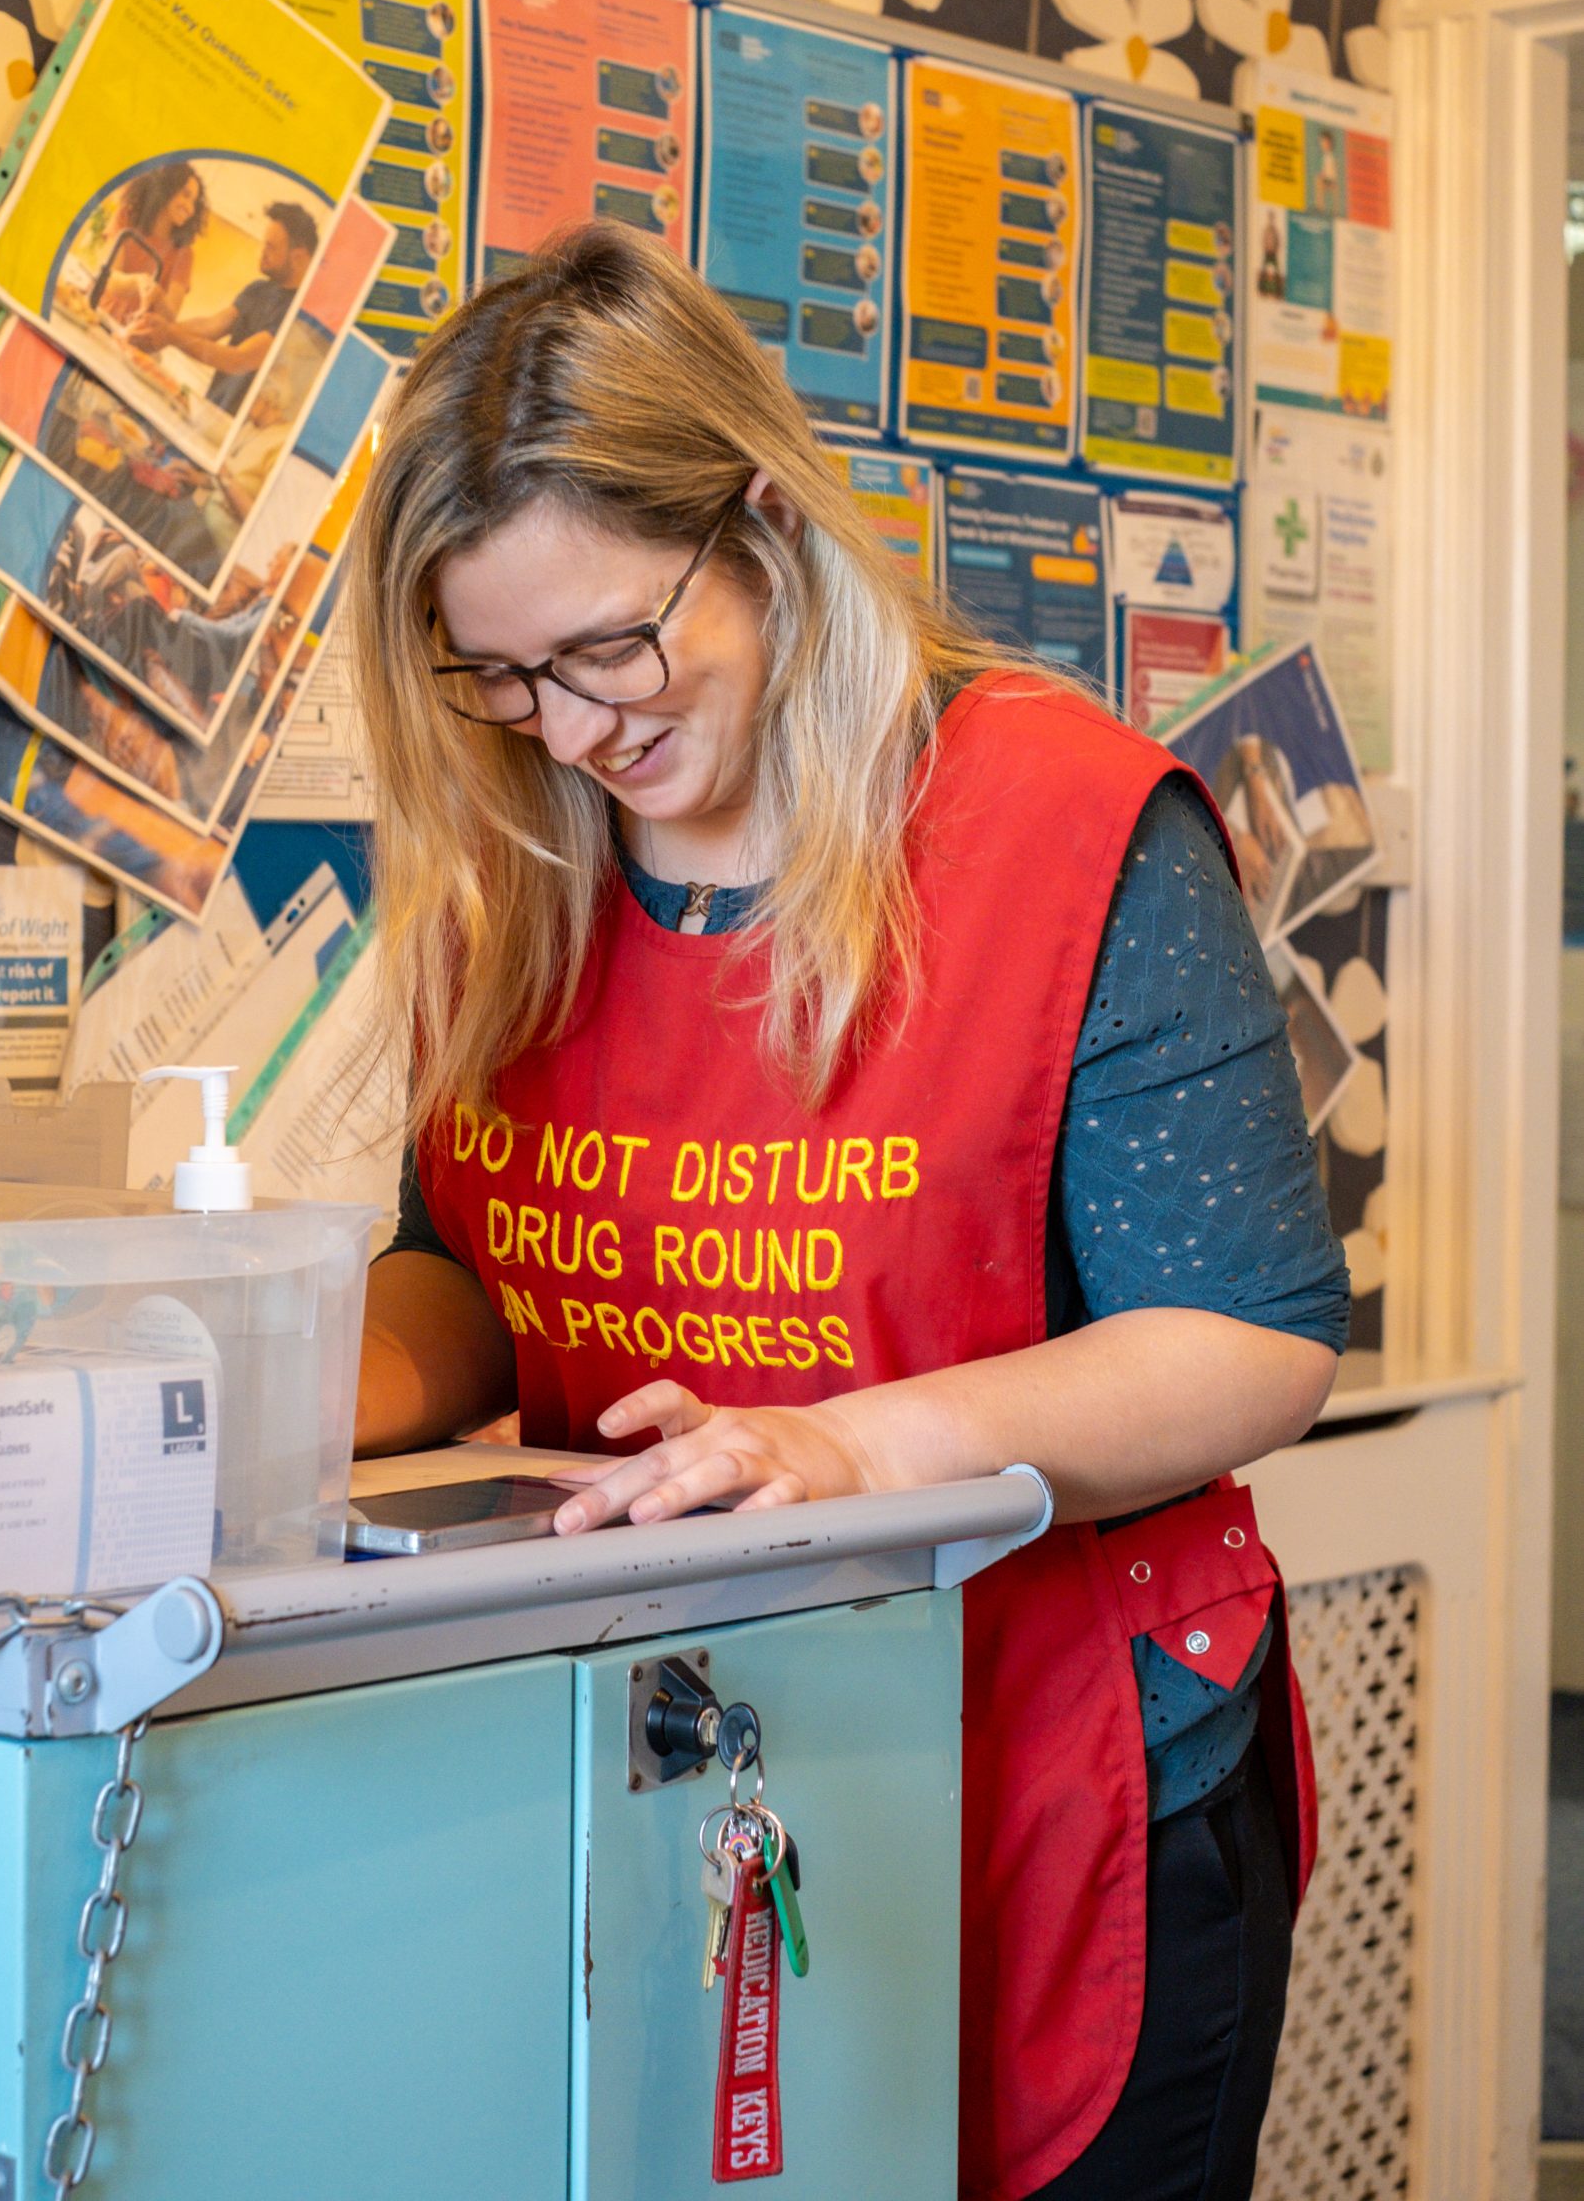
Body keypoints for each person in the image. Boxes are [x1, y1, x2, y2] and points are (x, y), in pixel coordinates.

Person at [347, 223, 1348, 2201]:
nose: (570, 727)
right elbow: (470, 1271)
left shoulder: (1065, 830)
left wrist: (853, 1449)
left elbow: (1249, 1337)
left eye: (609, 648)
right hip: (669, 1769)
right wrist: (300, 1386)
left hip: (1058, 1769)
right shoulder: (520, 859)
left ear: (765, 523)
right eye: (502, 674)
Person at [131, 201, 318, 414]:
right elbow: (211, 325)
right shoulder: (258, 289)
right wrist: (154, 327)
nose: (261, 251)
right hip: (213, 408)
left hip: (240, 425)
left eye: (271, 247)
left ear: (298, 257)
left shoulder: (299, 315)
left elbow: (239, 360)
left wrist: (170, 335)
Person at [93, 160, 207, 324]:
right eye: (186, 195)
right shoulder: (127, 216)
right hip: (96, 313)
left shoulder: (184, 254)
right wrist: (138, 282)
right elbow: (109, 279)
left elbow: (169, 318)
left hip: (131, 333)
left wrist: (158, 298)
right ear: (166, 188)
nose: (190, 209)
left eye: (194, 202)